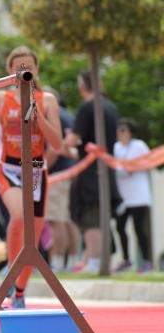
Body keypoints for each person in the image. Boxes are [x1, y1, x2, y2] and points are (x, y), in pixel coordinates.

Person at [0, 47, 62, 308]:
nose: (24, 70)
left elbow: (57, 143)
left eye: (28, 66)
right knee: (18, 216)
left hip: (36, 169)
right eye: (18, 66)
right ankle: (10, 276)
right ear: (9, 70)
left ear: (36, 69)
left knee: (33, 239)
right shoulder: (1, 99)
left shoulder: (47, 100)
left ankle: (20, 292)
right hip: (9, 168)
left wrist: (39, 119)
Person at [65, 71, 121, 274]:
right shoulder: (111, 107)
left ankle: (95, 261)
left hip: (89, 172)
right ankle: (95, 260)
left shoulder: (87, 107)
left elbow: (72, 141)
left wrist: (65, 141)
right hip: (107, 168)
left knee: (91, 219)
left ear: (82, 86)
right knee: (102, 218)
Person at [43, 87, 80, 273]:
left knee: (55, 219)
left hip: (57, 174)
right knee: (66, 220)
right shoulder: (68, 116)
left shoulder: (54, 115)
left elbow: (54, 147)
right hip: (71, 171)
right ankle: (71, 262)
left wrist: (42, 168)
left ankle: (57, 263)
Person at [113, 118, 153, 273]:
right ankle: (126, 259)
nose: (119, 133)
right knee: (120, 227)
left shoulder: (139, 146)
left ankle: (147, 261)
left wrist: (132, 167)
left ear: (130, 132)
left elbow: (148, 162)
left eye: (123, 130)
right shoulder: (116, 148)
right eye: (118, 130)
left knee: (139, 229)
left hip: (139, 196)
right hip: (123, 197)